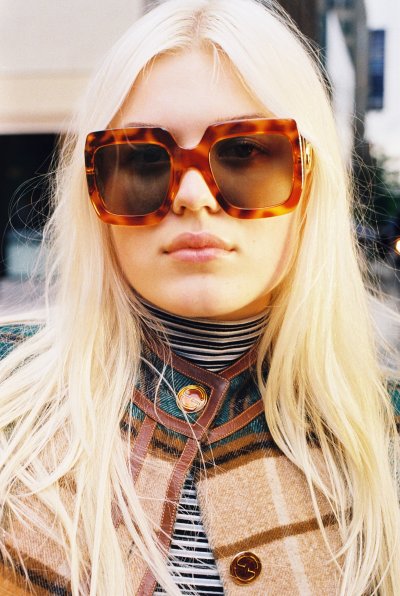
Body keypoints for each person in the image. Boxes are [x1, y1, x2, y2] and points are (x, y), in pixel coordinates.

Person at [0, 0, 399, 594]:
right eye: (142, 158)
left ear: (310, 181)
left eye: (245, 151)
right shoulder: (10, 402)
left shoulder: (385, 438)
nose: (193, 195)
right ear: (94, 191)